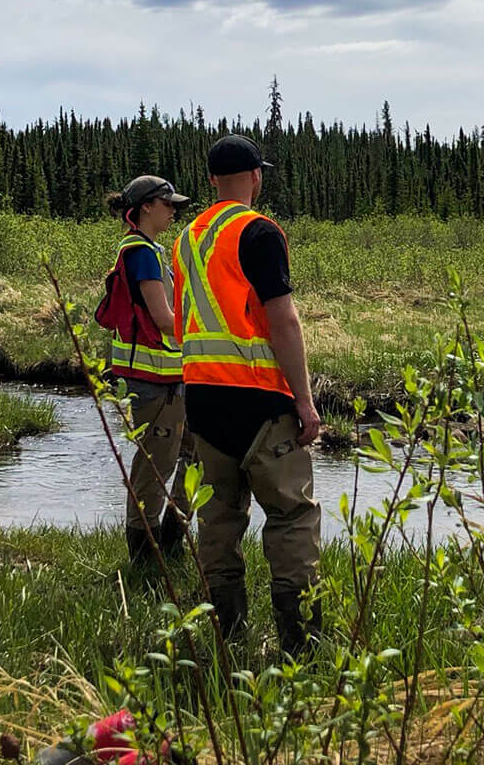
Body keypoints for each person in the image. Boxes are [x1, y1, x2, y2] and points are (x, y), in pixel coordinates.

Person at [172, 134, 323, 654]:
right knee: (291, 517)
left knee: (218, 518)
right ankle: (300, 644)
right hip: (260, 398)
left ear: (212, 181)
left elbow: (181, 321)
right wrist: (303, 401)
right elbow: (283, 319)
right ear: (256, 176)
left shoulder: (187, 237)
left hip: (203, 401)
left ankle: (225, 636)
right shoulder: (259, 232)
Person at [102, 175, 194, 568]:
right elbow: (164, 319)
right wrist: (210, 328)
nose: (173, 210)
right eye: (167, 203)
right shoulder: (141, 252)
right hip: (155, 382)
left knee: (191, 456)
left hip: (173, 378)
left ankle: (172, 542)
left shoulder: (152, 250)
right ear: (145, 208)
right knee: (156, 466)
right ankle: (145, 559)